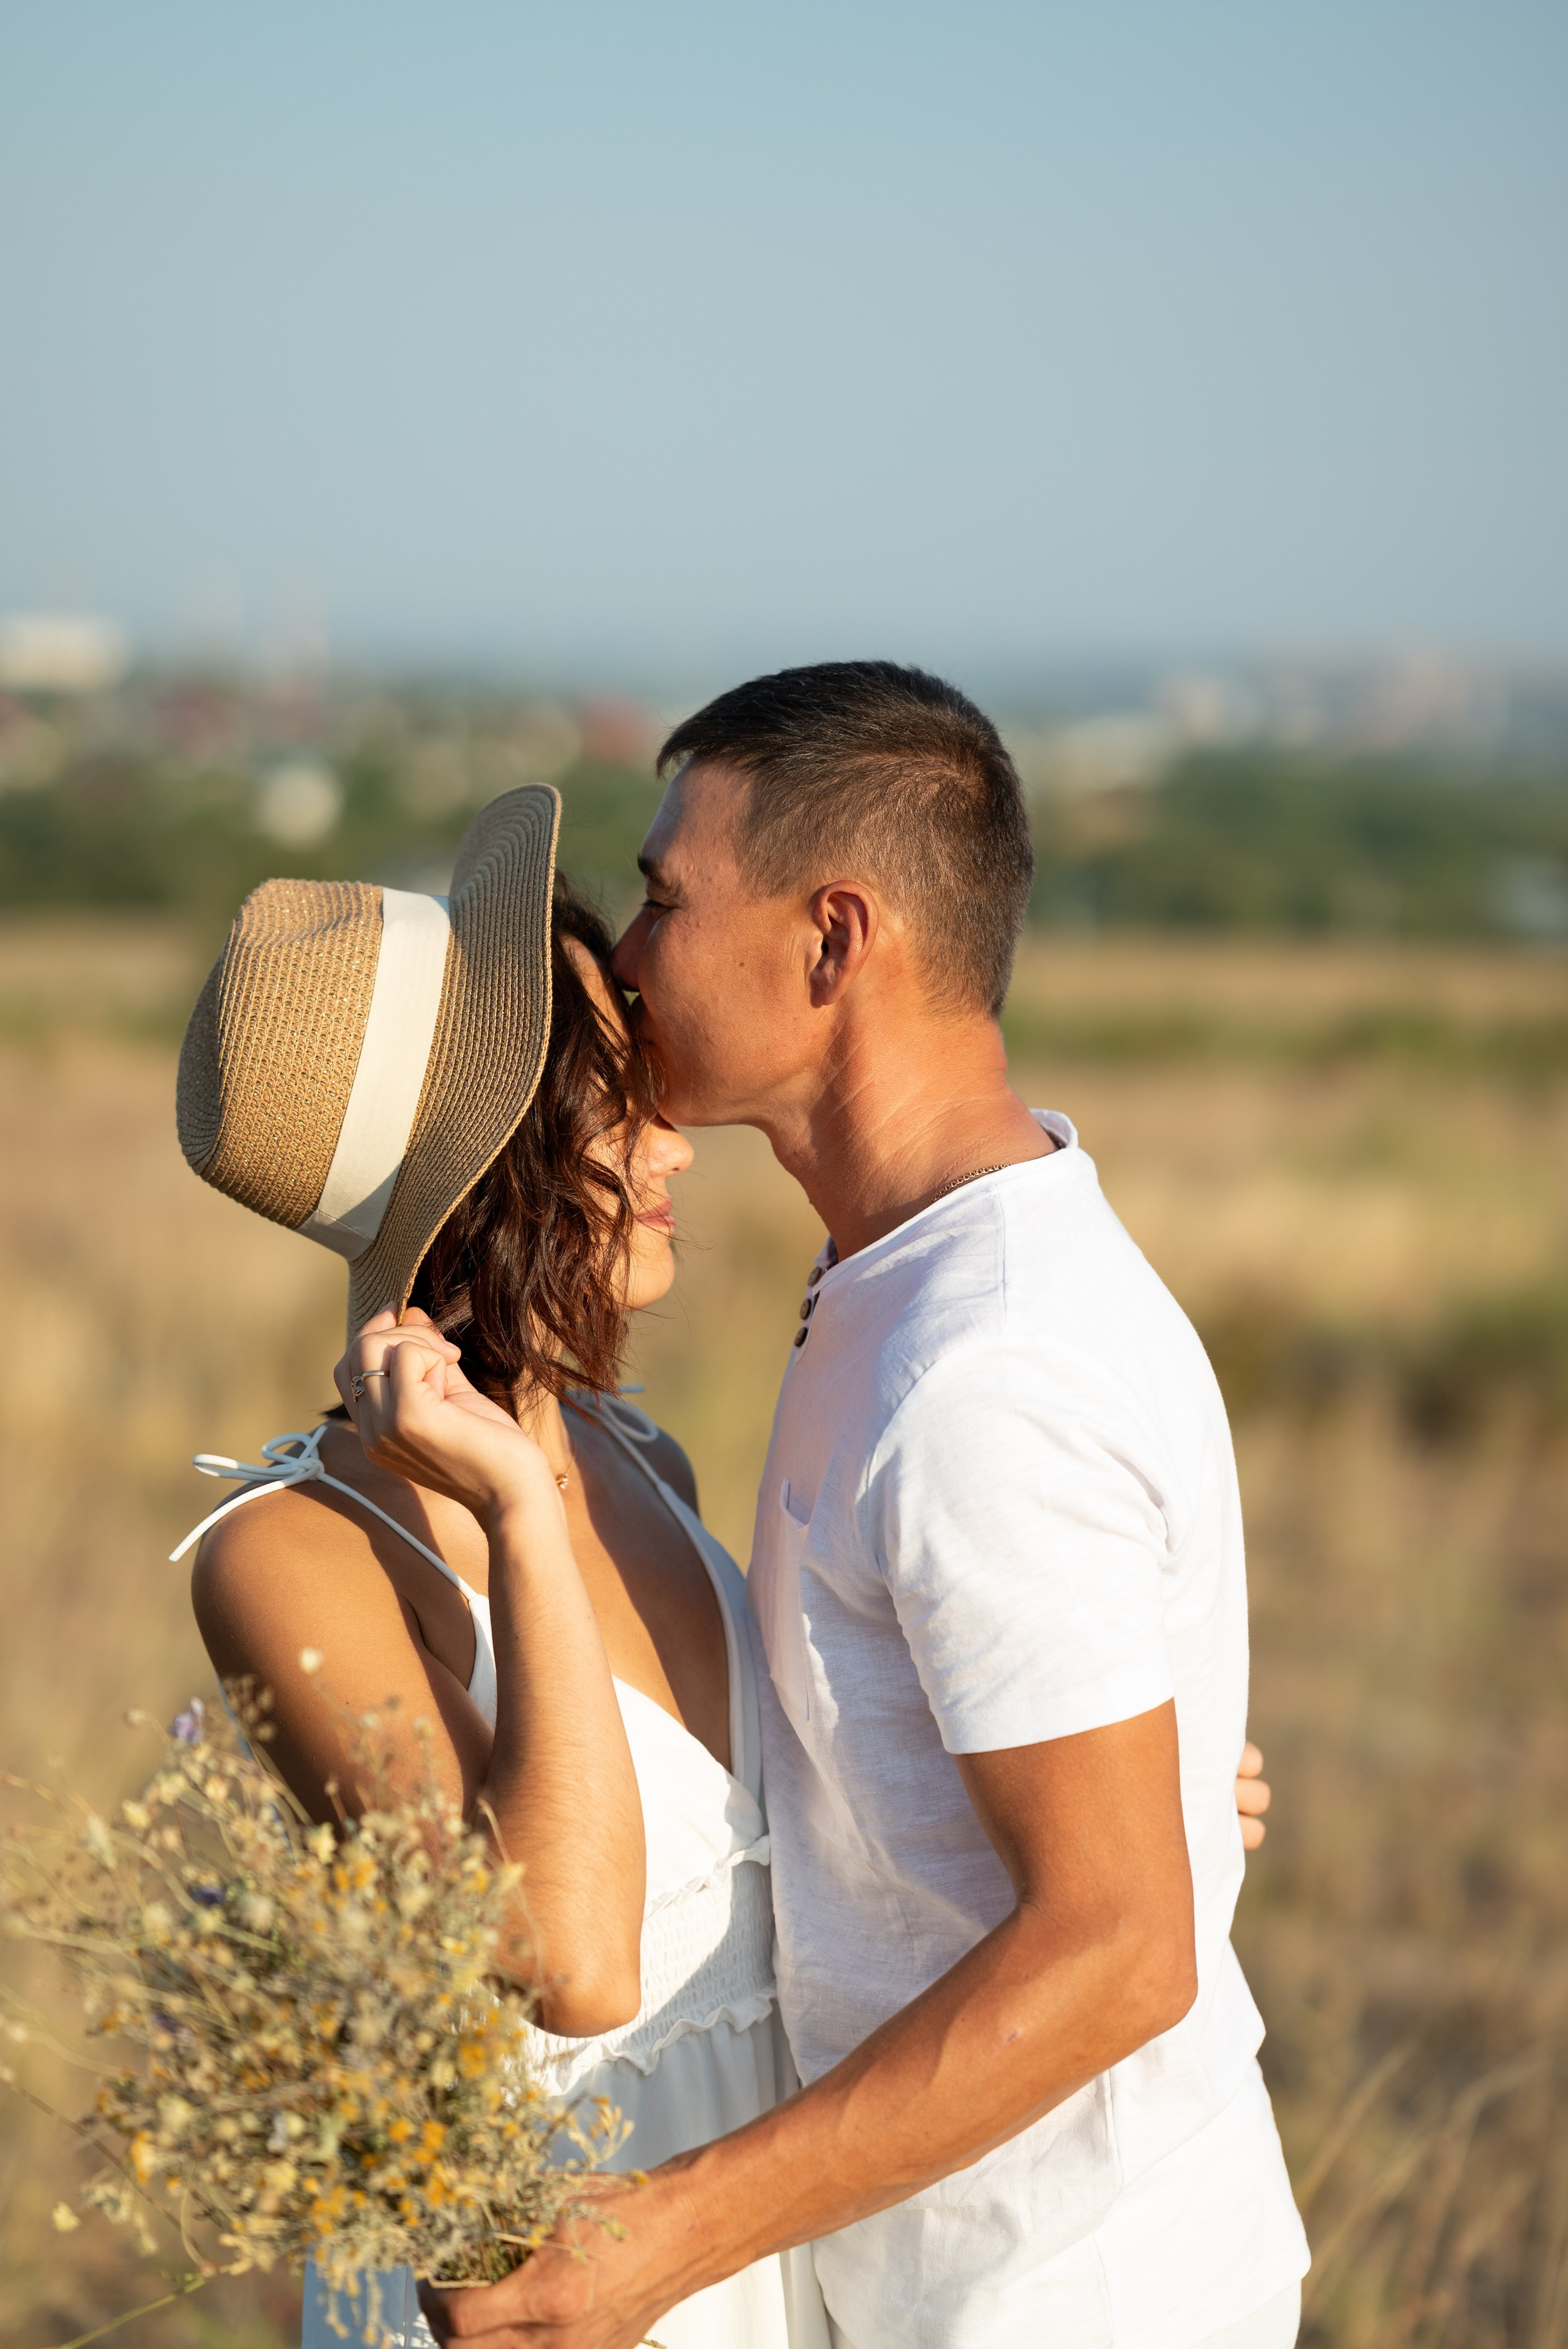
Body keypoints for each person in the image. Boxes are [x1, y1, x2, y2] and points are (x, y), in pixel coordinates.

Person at [416, 664, 1310, 2349]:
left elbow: (1122, 1944)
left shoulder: (984, 1366)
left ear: (834, 941)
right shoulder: (913, 1279)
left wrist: (662, 2239)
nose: (629, 956)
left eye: (672, 897)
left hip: (1063, 2298)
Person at [172, 789, 832, 2348]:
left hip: (745, 2259)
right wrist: (525, 1518)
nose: (674, 1142)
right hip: (546, 2296)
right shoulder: (289, 1556)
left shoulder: (639, 1455)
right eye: (616, 1106)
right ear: (489, 1172)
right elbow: (573, 1959)